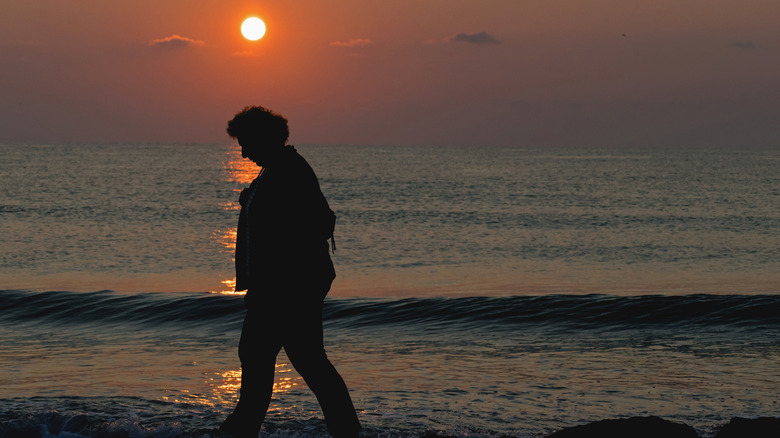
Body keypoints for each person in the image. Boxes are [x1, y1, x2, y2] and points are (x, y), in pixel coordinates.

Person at [220, 106, 361, 438]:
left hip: (286, 290)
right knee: (300, 360)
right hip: (281, 288)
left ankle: (241, 429)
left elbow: (319, 221)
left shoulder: (289, 170)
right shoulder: (276, 171)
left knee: (271, 358)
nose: (243, 152)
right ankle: (346, 430)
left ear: (263, 139)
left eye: (246, 143)